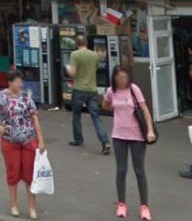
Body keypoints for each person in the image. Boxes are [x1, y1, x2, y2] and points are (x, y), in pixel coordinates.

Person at [0, 71, 47, 220]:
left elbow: (34, 118)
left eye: (21, 81)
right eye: (18, 81)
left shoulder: (26, 97)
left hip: (28, 140)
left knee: (30, 174)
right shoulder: (1, 96)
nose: (20, 84)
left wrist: (41, 141)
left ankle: (32, 207)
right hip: (9, 141)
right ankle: (13, 205)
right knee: (12, 173)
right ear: (10, 82)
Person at [104, 66, 156, 220]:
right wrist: (115, 108)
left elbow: (145, 109)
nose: (122, 80)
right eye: (119, 77)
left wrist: (150, 130)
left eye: (124, 77)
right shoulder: (111, 91)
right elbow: (105, 105)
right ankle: (121, 204)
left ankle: (144, 206)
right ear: (114, 78)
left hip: (137, 136)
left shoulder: (134, 89)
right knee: (121, 170)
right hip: (119, 135)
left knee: (139, 170)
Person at [67, 35, 110, 154]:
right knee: (96, 117)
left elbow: (72, 72)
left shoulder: (74, 55)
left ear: (77, 44)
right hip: (92, 89)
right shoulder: (94, 55)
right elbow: (95, 69)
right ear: (86, 43)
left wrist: (68, 69)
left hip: (79, 89)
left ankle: (78, 140)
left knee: (76, 115)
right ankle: (105, 142)